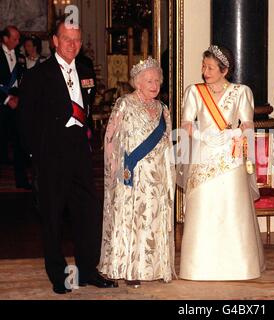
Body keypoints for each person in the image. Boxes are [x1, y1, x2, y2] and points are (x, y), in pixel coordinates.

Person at [18, 21, 117, 294]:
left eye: (76, 39)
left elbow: (87, 104)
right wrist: (34, 155)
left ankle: (87, 270)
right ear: (54, 41)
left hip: (80, 153)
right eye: (66, 39)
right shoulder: (39, 75)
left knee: (88, 211)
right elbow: (25, 119)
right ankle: (58, 274)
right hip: (51, 154)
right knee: (52, 216)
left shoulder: (86, 71)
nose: (71, 44)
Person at [179, 45, 265, 280]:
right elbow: (186, 123)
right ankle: (198, 266)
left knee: (231, 209)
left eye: (210, 67)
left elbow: (248, 125)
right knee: (204, 208)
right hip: (203, 155)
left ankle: (238, 266)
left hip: (231, 157)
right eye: (203, 66)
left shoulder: (241, 92)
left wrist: (231, 134)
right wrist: (200, 135)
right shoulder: (194, 92)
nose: (205, 71)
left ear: (224, 70)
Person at [98, 57, 176, 287]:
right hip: (132, 173)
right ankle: (131, 269)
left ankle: (157, 266)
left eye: (157, 81)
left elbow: (168, 143)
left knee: (153, 220)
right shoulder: (125, 103)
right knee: (134, 219)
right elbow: (110, 137)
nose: (154, 85)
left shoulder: (163, 109)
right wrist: (115, 170)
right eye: (149, 81)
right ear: (137, 83)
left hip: (157, 175)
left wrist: (170, 170)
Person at [0, 25, 30, 189]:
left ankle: (22, 181)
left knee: (20, 143)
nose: (19, 42)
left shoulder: (20, 58)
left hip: (16, 105)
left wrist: (19, 97)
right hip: (1, 104)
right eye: (15, 39)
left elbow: (21, 81)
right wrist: (6, 99)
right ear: (5, 39)